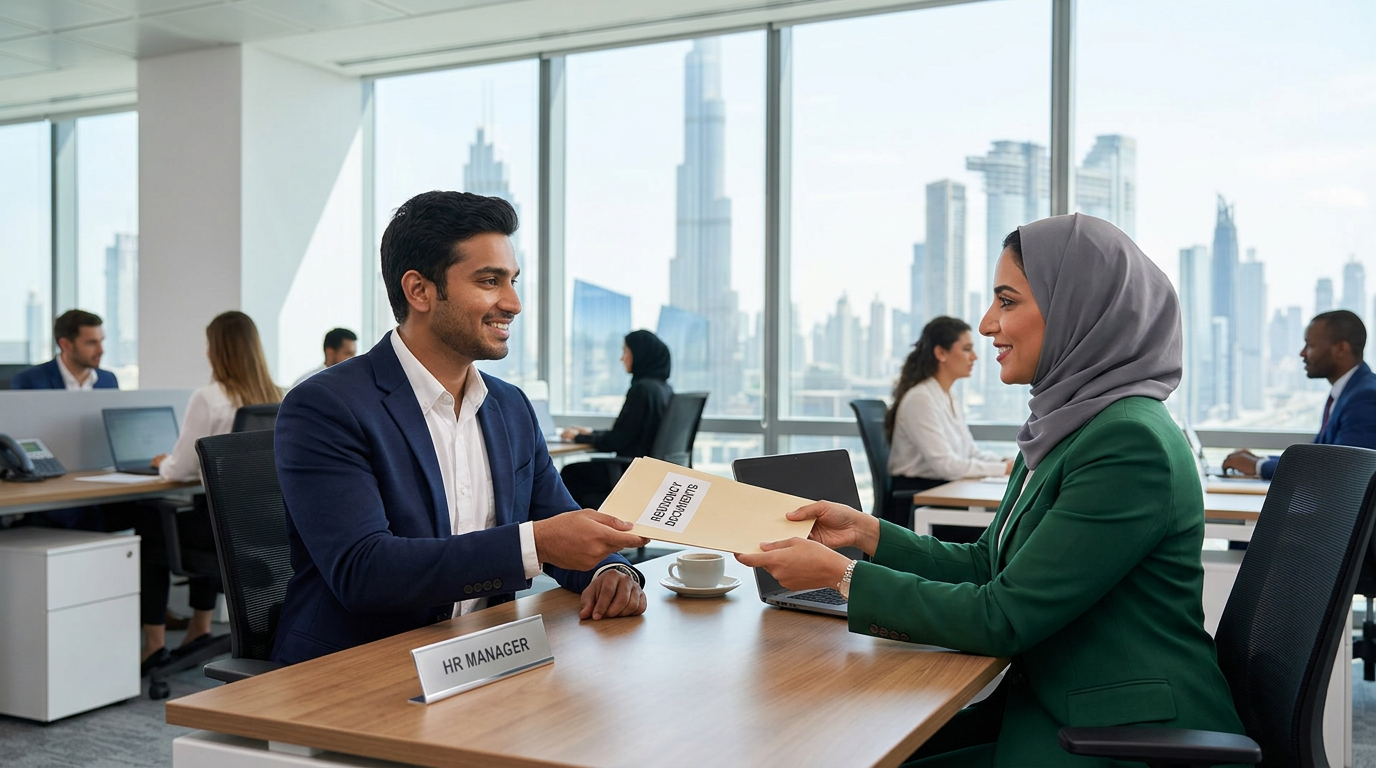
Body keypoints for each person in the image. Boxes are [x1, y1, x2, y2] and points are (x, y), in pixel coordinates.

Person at [739, 214, 1244, 766]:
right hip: (1056, 708)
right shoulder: (1075, 427)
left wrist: (842, 577)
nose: (986, 325)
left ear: (1077, 308)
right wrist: (866, 534)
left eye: (1007, 301)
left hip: (1124, 734)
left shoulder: (1127, 443)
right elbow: (990, 565)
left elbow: (1002, 617)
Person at [271, 191, 649, 665]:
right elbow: (363, 570)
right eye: (490, 281)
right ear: (420, 291)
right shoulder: (326, 406)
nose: (512, 303)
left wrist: (611, 573)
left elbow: (560, 521)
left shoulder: (510, 406)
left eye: (512, 281)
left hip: (484, 657)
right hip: (359, 667)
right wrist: (537, 543)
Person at [140, 311, 283, 673]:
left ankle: (154, 645)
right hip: (264, 529)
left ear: (217, 350)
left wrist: (161, 463)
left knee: (151, 528)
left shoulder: (209, 397)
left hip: (221, 529)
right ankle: (199, 629)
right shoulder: (279, 394)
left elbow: (183, 466)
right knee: (200, 515)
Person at [885, 316, 1012, 525]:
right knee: (999, 529)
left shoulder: (947, 396)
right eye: (966, 349)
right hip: (915, 503)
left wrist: (1003, 462)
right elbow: (947, 466)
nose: (974, 357)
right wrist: (1003, 469)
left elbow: (970, 452)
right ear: (940, 353)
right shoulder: (921, 399)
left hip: (940, 493)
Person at [1224, 309, 1376, 479]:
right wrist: (1260, 460)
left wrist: (1259, 466)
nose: (1302, 353)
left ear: (1341, 349)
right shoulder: (1349, 391)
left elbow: (1339, 470)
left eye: (1310, 345)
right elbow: (1316, 459)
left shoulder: (1364, 398)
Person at [559, 329, 674, 509]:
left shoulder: (641, 390)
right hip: (653, 472)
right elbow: (632, 433)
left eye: (626, 352)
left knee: (570, 472)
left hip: (632, 472)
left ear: (640, 354)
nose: (622, 358)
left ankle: (576, 530)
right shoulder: (663, 389)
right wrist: (592, 432)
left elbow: (616, 441)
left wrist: (576, 437)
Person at [11, 309, 119, 390]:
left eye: (101, 341)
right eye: (91, 343)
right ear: (66, 345)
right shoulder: (30, 381)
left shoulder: (108, 380)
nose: (100, 350)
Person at [291, 327, 359, 387]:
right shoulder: (306, 383)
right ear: (330, 352)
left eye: (354, 354)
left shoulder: (354, 383)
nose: (353, 358)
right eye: (348, 354)